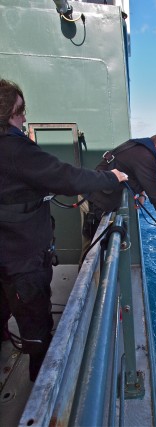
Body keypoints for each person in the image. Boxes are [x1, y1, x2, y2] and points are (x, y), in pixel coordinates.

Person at [0, 78, 128, 382]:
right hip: (22, 259)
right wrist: (112, 178)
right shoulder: (14, 148)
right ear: (7, 113)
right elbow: (66, 177)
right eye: (20, 113)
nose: (24, 119)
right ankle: (42, 387)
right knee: (36, 326)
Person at [82, 133, 156, 254]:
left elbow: (136, 174)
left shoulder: (138, 148)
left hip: (98, 198)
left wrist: (141, 194)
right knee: (91, 252)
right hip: (93, 201)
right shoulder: (145, 156)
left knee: (98, 249)